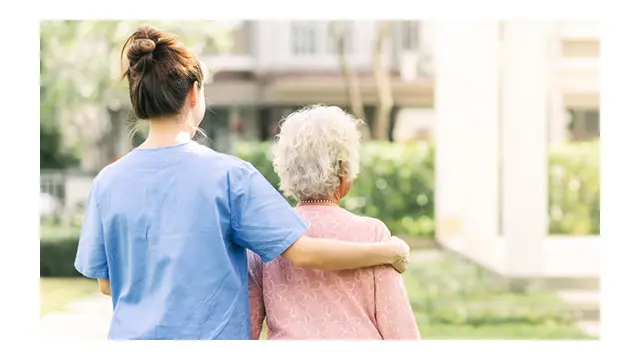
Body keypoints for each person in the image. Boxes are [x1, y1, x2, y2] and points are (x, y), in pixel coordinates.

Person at [73, 25, 411, 341]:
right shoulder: (230, 177)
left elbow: (106, 283)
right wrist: (387, 251)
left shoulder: (107, 182)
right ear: (194, 93)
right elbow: (303, 252)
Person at [248, 105, 420, 340]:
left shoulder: (266, 235)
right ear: (344, 169)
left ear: (286, 169)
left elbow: (248, 326)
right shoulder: (372, 233)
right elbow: (400, 330)